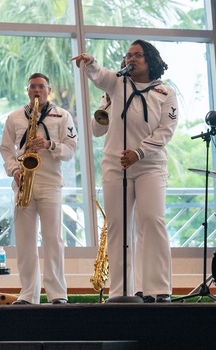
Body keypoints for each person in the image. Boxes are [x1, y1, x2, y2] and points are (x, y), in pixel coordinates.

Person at [72, 40, 178, 303]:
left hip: (149, 165)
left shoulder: (165, 92)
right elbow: (100, 75)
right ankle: (121, 291)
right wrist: (90, 62)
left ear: (150, 59)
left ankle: (157, 289)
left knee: (152, 221)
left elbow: (165, 131)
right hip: (115, 164)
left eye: (138, 55)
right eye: (128, 55)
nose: (132, 59)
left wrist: (139, 153)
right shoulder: (117, 84)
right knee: (118, 226)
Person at [0, 73, 77, 305]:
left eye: (41, 86)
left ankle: (57, 293)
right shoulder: (14, 117)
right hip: (23, 182)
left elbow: (71, 150)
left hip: (51, 182)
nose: (37, 90)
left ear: (49, 90)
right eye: (32, 86)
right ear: (28, 90)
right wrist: (14, 170)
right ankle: (28, 294)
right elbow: (5, 149)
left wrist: (49, 144)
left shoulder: (63, 115)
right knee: (25, 241)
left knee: (53, 239)